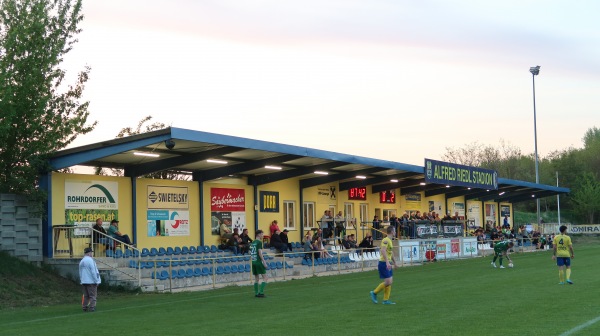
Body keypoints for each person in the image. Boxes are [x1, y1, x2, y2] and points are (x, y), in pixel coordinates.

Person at [370, 225, 397, 305]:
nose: (395, 232)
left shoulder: (390, 240)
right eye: (395, 231)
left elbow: (390, 252)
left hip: (387, 262)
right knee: (388, 281)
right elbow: (383, 250)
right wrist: (387, 262)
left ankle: (385, 300)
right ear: (392, 232)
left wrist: (394, 262)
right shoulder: (385, 240)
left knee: (389, 281)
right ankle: (374, 293)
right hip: (383, 263)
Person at [79, 247, 101, 312]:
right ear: (89, 253)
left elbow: (80, 272)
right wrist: (96, 281)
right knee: (92, 296)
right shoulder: (91, 261)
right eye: (91, 253)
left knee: (86, 296)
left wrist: (81, 280)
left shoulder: (81, 261)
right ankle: (92, 307)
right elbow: (94, 271)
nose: (92, 254)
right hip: (91, 281)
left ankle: (84, 307)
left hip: (84, 281)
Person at [250, 230, 268, 297]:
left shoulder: (253, 242)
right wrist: (264, 262)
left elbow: (251, 252)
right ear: (258, 234)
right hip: (258, 261)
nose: (262, 235)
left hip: (253, 262)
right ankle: (261, 292)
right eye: (262, 234)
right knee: (265, 277)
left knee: (256, 279)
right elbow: (260, 253)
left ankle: (256, 293)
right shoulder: (259, 242)